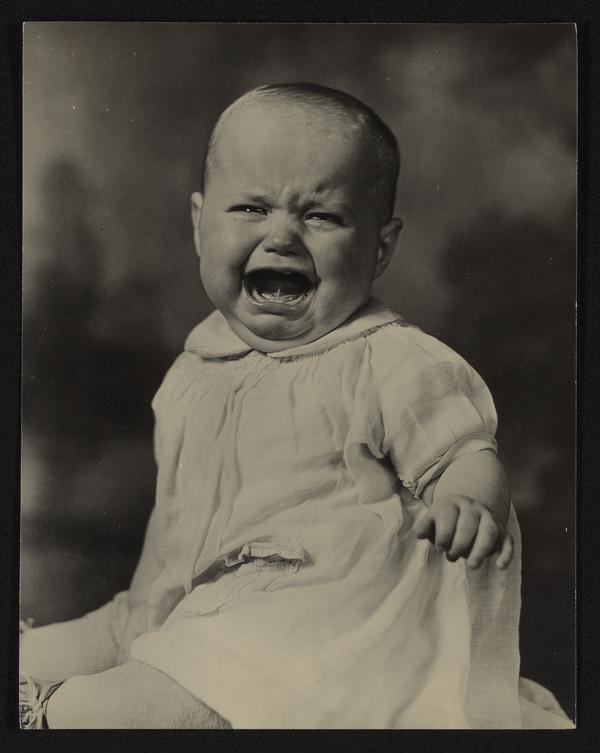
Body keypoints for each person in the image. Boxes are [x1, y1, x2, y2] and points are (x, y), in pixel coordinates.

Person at [19, 83, 573, 729]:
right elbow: (174, 522)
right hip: (188, 606)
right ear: (199, 224)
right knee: (40, 653)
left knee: (119, 707)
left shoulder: (389, 361)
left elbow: (464, 451)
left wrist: (469, 502)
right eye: (250, 208)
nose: (281, 235)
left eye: (322, 217)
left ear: (380, 248)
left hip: (308, 630)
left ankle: (58, 717)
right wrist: (141, 616)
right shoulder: (195, 367)